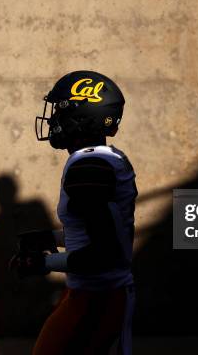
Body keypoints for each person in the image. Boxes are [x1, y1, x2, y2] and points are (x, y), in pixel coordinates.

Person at [14, 70, 137, 355]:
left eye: (60, 109)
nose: (54, 118)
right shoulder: (104, 158)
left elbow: (103, 254)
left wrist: (42, 264)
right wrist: (49, 238)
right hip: (99, 294)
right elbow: (98, 233)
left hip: (96, 297)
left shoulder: (88, 168)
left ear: (82, 116)